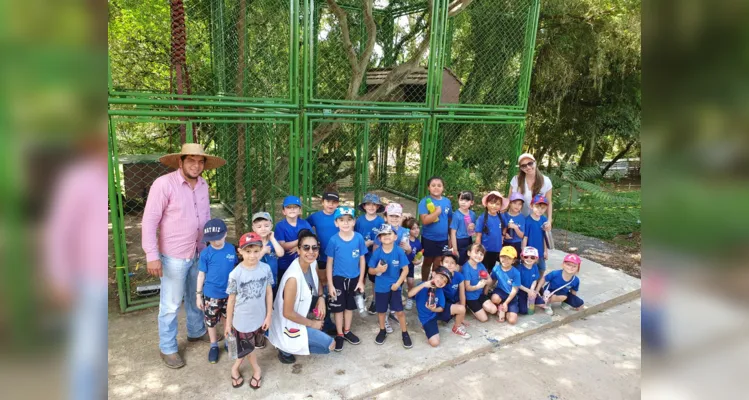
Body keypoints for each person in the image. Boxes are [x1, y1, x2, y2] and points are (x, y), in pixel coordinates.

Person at [142, 143, 226, 368]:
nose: (196, 165)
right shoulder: (163, 184)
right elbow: (150, 220)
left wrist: (210, 247)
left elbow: (205, 216)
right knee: (170, 304)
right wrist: (152, 254)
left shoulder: (203, 185)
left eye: (200, 162)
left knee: (194, 295)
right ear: (180, 162)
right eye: (191, 160)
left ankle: (196, 331)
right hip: (173, 255)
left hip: (199, 251)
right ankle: (168, 347)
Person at [268, 230, 335, 364]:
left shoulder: (312, 263)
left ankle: (312, 328)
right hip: (288, 321)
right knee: (330, 345)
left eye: (314, 248)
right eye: (306, 247)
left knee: (326, 298)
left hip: (302, 308)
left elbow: (318, 282)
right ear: (298, 250)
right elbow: (287, 313)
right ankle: (285, 348)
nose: (311, 251)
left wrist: (321, 297)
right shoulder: (293, 278)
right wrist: (313, 324)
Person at [225, 232, 274, 390]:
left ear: (261, 250)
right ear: (240, 251)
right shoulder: (235, 274)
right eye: (248, 251)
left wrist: (268, 316)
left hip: (259, 318)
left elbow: (268, 292)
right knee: (249, 347)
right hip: (242, 321)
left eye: (256, 251)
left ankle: (235, 368)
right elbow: (231, 300)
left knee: (248, 346)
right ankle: (256, 370)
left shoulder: (265, 269)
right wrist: (228, 324)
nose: (252, 255)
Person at [325, 206, 368, 351]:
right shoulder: (333, 240)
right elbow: (329, 263)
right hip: (338, 279)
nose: (345, 223)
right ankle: (339, 333)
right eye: (341, 220)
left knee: (349, 307)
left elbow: (362, 260)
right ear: (336, 223)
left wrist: (361, 280)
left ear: (354, 221)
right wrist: (330, 284)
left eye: (349, 220)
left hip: (354, 279)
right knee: (338, 309)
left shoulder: (359, 238)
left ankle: (347, 330)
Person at [196, 219, 238, 364]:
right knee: (211, 320)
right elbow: (201, 275)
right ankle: (213, 345)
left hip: (229, 294)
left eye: (218, 238)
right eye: (211, 239)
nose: (215, 241)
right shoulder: (206, 253)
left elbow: (235, 270)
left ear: (225, 234)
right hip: (211, 294)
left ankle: (228, 341)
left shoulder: (231, 249)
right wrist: (198, 295)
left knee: (228, 317)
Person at [368, 224, 412, 348]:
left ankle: (405, 333)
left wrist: (398, 284)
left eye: (389, 234)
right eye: (383, 235)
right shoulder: (377, 252)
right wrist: (377, 269)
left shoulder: (398, 251)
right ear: (379, 238)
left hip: (395, 287)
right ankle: (382, 330)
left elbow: (405, 270)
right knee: (381, 311)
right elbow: (370, 270)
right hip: (380, 288)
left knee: (400, 312)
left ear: (395, 236)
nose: (386, 236)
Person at [408, 266, 467, 347]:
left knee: (461, 309)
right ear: (433, 274)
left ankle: (456, 327)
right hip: (427, 318)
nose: (442, 281)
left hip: (437, 312)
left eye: (445, 281)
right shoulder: (423, 285)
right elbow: (410, 294)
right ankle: (425, 327)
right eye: (441, 277)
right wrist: (423, 285)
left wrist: (434, 309)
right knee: (435, 343)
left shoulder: (439, 290)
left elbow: (442, 308)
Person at [371, 202, 411, 316]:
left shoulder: (405, 232)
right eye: (391, 216)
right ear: (385, 217)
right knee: (383, 289)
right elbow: (375, 249)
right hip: (384, 267)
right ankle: (381, 307)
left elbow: (408, 251)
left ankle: (393, 310)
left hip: (398, 266)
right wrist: (377, 266)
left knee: (397, 287)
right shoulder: (382, 231)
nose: (394, 218)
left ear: (401, 217)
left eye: (397, 216)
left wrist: (408, 248)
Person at [418, 176, 453, 282]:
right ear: (428, 187)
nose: (436, 188)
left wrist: (450, 237)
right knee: (427, 262)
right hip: (429, 238)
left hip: (443, 239)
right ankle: (424, 283)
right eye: (433, 185)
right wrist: (437, 212)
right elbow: (424, 220)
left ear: (443, 188)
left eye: (439, 185)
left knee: (438, 262)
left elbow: (449, 220)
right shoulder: (424, 202)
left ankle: (433, 283)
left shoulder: (447, 202)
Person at [355, 193, 386, 304]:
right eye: (368, 204)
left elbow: (383, 238)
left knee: (374, 279)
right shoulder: (359, 220)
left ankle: (375, 300)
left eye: (374, 204)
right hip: (362, 254)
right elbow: (355, 236)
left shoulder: (380, 221)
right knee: (361, 275)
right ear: (364, 206)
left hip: (375, 255)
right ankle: (361, 294)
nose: (371, 207)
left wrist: (372, 242)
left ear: (378, 207)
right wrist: (363, 244)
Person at [306, 191, 341, 285]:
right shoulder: (315, 216)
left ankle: (334, 295)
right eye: (328, 201)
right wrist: (313, 238)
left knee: (337, 277)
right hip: (322, 253)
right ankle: (324, 295)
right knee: (322, 277)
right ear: (322, 202)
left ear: (337, 204)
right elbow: (304, 226)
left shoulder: (341, 216)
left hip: (338, 253)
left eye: (334, 202)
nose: (331, 204)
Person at [510, 153, 553, 227]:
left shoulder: (546, 181)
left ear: (535, 163)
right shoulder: (516, 180)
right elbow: (509, 200)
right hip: (519, 220)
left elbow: (549, 202)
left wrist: (549, 221)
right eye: (523, 166)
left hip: (537, 220)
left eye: (530, 163)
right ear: (521, 168)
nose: (528, 167)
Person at [275, 195, 312, 280]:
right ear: (284, 211)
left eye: (295, 207)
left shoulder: (304, 223)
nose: (292, 209)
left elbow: (313, 240)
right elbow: (283, 245)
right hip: (285, 264)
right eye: (288, 207)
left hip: (302, 263)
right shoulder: (280, 226)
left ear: (300, 210)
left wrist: (298, 247)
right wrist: (301, 242)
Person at [461, 243, 497, 322]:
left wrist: (486, 282)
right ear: (469, 253)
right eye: (476, 253)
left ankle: (481, 305)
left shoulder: (481, 265)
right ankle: (470, 306)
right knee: (484, 319)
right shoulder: (466, 268)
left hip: (480, 294)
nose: (479, 256)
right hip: (470, 298)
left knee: (493, 310)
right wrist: (478, 286)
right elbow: (467, 288)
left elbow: (490, 280)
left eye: (481, 254)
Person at [251, 212, 284, 297]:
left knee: (272, 303)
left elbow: (280, 254)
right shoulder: (252, 243)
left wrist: (272, 239)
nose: (263, 229)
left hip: (272, 280)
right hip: (257, 283)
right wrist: (263, 251)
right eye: (259, 226)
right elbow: (251, 261)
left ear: (271, 226)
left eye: (266, 226)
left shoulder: (273, 241)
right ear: (253, 228)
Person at [474, 191, 509, 271]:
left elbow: (505, 226)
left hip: (497, 249)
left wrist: (503, 235)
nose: (494, 206)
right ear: (486, 203)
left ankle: (490, 282)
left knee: (492, 268)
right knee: (483, 269)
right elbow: (478, 235)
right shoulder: (482, 218)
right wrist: (477, 249)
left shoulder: (501, 216)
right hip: (485, 249)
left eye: (497, 204)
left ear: (500, 206)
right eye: (492, 203)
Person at [439, 251, 471, 338]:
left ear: (456, 266)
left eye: (452, 263)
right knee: (446, 315)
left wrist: (462, 315)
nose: (449, 265)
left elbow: (462, 294)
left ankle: (457, 326)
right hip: (440, 304)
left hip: (452, 301)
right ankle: (439, 318)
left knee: (462, 306)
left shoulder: (459, 276)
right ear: (441, 263)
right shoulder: (438, 276)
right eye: (446, 262)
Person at [487, 246, 521, 324]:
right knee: (494, 298)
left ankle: (504, 307)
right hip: (500, 291)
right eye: (503, 257)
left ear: (513, 260)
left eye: (509, 258)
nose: (505, 260)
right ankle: (500, 307)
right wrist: (487, 289)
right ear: (499, 257)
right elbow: (493, 280)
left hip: (511, 295)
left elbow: (514, 289)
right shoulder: (496, 268)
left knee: (512, 321)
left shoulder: (516, 273)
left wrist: (506, 303)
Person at [522, 195, 550, 277]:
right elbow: (525, 237)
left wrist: (545, 251)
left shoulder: (544, 220)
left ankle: (538, 284)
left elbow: (545, 237)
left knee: (542, 269)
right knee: (529, 269)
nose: (539, 210)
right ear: (531, 206)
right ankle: (530, 284)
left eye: (543, 208)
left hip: (540, 251)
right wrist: (523, 250)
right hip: (530, 252)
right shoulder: (527, 221)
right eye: (537, 207)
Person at [515, 246, 545, 315]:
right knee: (523, 311)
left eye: (532, 257)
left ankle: (533, 300)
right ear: (522, 257)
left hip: (530, 289)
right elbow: (517, 283)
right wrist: (528, 291)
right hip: (521, 291)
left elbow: (535, 280)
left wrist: (531, 290)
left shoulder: (535, 267)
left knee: (542, 304)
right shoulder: (519, 268)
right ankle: (521, 301)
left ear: (536, 259)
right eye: (526, 257)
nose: (529, 259)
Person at [402, 216, 423, 311]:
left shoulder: (418, 243)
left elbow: (418, 256)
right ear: (408, 230)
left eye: (417, 228)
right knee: (400, 282)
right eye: (413, 228)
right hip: (401, 266)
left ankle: (410, 298)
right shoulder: (404, 240)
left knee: (410, 282)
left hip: (410, 266)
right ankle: (398, 297)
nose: (416, 230)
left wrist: (419, 261)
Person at [450, 191, 476, 266]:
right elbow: (453, 233)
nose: (463, 202)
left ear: (471, 202)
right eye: (461, 200)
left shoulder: (472, 214)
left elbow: (474, 231)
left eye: (466, 200)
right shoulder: (456, 215)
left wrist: (473, 227)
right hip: (459, 241)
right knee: (459, 262)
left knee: (468, 261)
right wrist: (455, 249)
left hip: (469, 240)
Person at [502, 192, 526, 263]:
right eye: (515, 203)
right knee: (504, 262)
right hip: (505, 243)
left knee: (515, 263)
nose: (517, 206)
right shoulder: (504, 215)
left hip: (517, 243)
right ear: (510, 203)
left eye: (520, 204)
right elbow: (499, 229)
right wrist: (504, 234)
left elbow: (522, 235)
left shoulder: (521, 218)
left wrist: (515, 228)